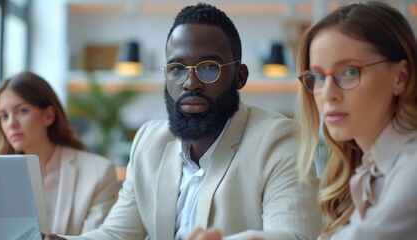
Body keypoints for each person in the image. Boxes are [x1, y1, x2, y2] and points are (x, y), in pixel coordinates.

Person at [44, 3, 321, 240]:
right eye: (177, 69)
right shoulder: (149, 141)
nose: (191, 83)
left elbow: (293, 235)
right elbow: (117, 234)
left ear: (240, 77)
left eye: (209, 68)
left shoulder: (279, 140)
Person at [296, 1, 417, 239]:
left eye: (349, 71)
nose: (328, 93)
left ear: (400, 77)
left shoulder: (412, 169)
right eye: (318, 77)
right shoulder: (362, 172)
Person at [0, 71, 118, 235]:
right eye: (4, 116)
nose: (11, 124)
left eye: (22, 111)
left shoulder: (98, 172)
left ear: (49, 115)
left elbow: (96, 238)